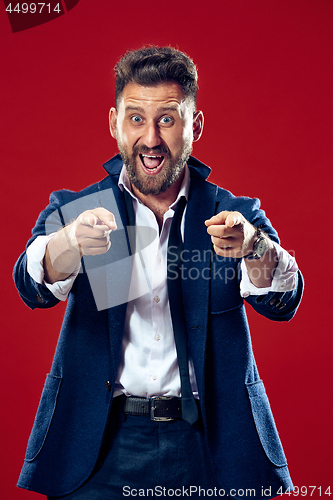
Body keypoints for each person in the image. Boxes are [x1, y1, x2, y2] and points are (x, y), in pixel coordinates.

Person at [13, 46, 303, 499]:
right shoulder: (83, 210)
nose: (150, 139)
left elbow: (283, 298)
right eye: (135, 119)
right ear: (114, 124)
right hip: (99, 446)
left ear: (195, 125)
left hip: (212, 443)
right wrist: (68, 243)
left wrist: (255, 247)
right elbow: (32, 285)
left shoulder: (231, 213)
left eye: (167, 119)